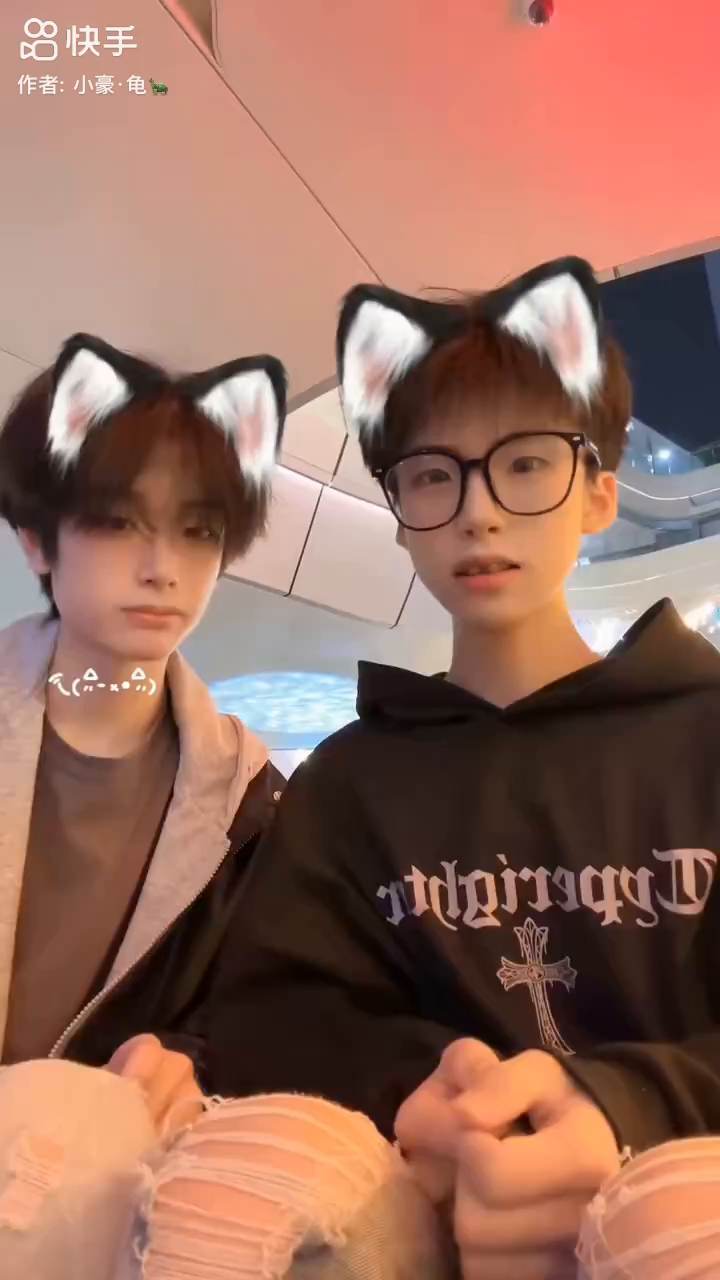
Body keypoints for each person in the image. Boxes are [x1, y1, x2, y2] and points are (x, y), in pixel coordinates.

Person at [202, 258, 720, 1277]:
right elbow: (271, 1015)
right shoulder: (350, 783)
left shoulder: (705, 736)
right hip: (433, 1207)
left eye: (524, 464)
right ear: (400, 515)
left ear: (599, 493)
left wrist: (618, 1102)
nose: (478, 512)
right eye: (434, 475)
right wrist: (421, 1088)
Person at [0, 332, 287, 1088]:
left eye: (198, 532)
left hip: (94, 1155)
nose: (163, 569)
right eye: (117, 522)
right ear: (36, 542)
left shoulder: (249, 803)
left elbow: (244, 1016)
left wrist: (188, 1061)